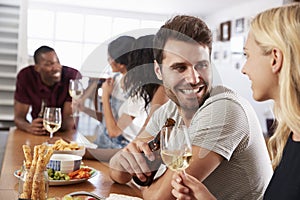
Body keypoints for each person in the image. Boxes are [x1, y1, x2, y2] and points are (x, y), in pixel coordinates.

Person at [109, 15, 273, 199]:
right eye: (180, 68)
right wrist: (123, 160)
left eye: (201, 65)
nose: (194, 79)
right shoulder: (167, 112)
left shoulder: (224, 109)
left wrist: (144, 185)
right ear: (158, 71)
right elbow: (118, 174)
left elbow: (161, 197)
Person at [171, 3, 300, 200]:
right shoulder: (292, 135)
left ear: (275, 58)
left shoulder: (225, 108)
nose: (244, 69)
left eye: (247, 55)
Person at [85, 35, 168, 161]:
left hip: (121, 145)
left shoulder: (158, 92)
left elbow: (129, 144)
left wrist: (85, 153)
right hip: (120, 147)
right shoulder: (147, 91)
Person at [14, 45, 81, 135]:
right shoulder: (26, 76)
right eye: (49, 64)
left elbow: (68, 124)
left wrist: (50, 125)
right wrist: (29, 127)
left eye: (57, 62)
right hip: (38, 133)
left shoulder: (72, 77)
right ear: (37, 68)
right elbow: (18, 118)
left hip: (65, 134)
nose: (56, 67)